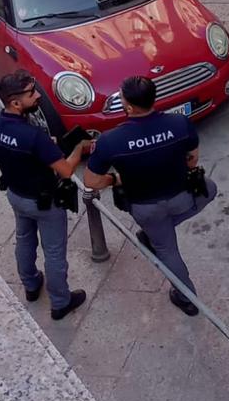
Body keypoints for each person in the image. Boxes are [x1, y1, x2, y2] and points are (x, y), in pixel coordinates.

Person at [84, 75, 217, 316]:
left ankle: (187, 299)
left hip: (145, 207)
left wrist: (115, 179)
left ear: (129, 106)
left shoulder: (110, 141)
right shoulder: (179, 124)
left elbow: (91, 181)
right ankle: (160, 230)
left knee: (167, 250)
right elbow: (192, 158)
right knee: (210, 188)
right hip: (181, 197)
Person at [0, 69, 94, 321]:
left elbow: (16, 147)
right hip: (45, 201)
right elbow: (65, 171)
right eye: (31, 94)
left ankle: (31, 285)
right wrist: (79, 148)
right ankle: (60, 302)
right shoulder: (33, 137)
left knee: (24, 238)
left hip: (15, 194)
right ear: (15, 102)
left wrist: (46, 146)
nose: (37, 96)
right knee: (54, 252)